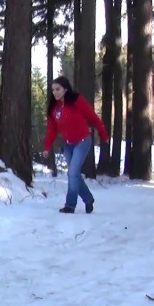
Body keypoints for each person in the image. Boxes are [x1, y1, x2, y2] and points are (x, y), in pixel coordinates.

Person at [41, 76, 110, 214]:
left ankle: (70, 205)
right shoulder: (53, 108)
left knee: (72, 173)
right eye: (53, 90)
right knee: (74, 175)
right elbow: (52, 129)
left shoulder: (77, 101)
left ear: (66, 89)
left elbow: (93, 117)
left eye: (58, 89)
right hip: (68, 145)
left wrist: (103, 134)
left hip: (82, 142)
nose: (55, 92)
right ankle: (88, 199)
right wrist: (47, 146)